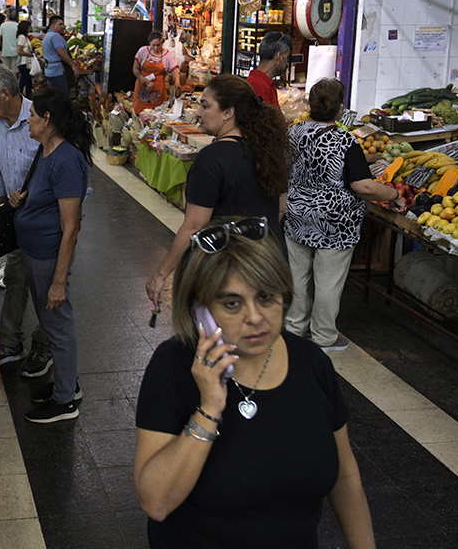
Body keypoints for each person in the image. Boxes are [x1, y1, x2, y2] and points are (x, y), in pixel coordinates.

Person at [134, 220, 375, 549]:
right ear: (199, 311)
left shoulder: (312, 363)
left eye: (266, 297)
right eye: (232, 303)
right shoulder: (173, 366)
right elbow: (156, 503)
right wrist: (209, 408)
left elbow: (345, 478)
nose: (255, 316)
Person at [146, 74, 289, 307]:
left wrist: (161, 274)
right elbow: (280, 209)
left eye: (205, 105)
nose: (199, 113)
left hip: (230, 272)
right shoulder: (268, 152)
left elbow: (194, 225)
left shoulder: (211, 159)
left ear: (228, 112)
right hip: (271, 265)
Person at [285, 78, 405, 352]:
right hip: (334, 223)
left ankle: (293, 329)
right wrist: (394, 195)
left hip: (298, 216)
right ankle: (324, 336)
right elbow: (362, 185)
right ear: (340, 109)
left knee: (298, 276)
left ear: (310, 105)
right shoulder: (344, 141)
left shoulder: (294, 132)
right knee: (328, 280)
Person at [8, 87, 92, 423]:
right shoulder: (45, 151)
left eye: (32, 115)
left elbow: (71, 228)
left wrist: (58, 281)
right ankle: (65, 386)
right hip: (34, 251)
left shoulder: (67, 160)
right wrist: (20, 199)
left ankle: (65, 402)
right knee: (50, 320)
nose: (27, 119)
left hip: (48, 255)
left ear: (47, 120)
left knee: (58, 324)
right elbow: (45, 198)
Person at [0, 64, 52, 377]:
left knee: (48, 286)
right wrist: (3, 209)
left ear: (6, 94)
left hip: (48, 220)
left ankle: (45, 345)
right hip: (17, 215)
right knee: (17, 276)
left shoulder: (42, 118)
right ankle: (8, 342)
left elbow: (65, 170)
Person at [133, 31, 181, 115]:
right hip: (142, 89)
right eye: (153, 45)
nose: (155, 48)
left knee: (157, 116)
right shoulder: (143, 51)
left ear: (162, 42)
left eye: (158, 45)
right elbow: (135, 69)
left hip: (158, 92)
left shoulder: (167, 55)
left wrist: (177, 81)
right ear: (149, 43)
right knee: (139, 114)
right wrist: (141, 78)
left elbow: (174, 70)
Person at [247, 31, 292, 109]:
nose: (286, 64)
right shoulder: (259, 86)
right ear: (279, 57)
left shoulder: (265, 83)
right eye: (286, 58)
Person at [41, 15, 78, 94]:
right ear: (53, 25)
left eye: (62, 24)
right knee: (62, 96)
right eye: (60, 24)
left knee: (54, 96)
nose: (62, 26)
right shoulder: (55, 36)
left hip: (50, 71)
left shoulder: (47, 35)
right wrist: (73, 66)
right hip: (58, 72)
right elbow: (62, 53)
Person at [15, 19, 35, 97]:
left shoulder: (24, 37)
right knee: (27, 81)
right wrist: (29, 54)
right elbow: (19, 51)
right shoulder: (22, 37)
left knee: (24, 80)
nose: (30, 29)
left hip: (25, 63)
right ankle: (26, 95)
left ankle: (19, 95)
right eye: (29, 27)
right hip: (23, 63)